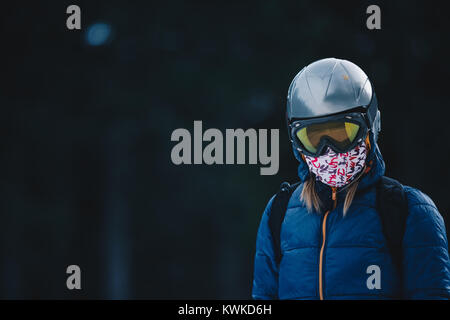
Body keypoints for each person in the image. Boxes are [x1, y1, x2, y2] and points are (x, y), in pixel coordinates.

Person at [252, 58, 450, 300]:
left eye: (342, 133)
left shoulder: (408, 211)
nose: (329, 151)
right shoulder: (280, 213)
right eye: (313, 138)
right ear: (297, 144)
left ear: (370, 128)